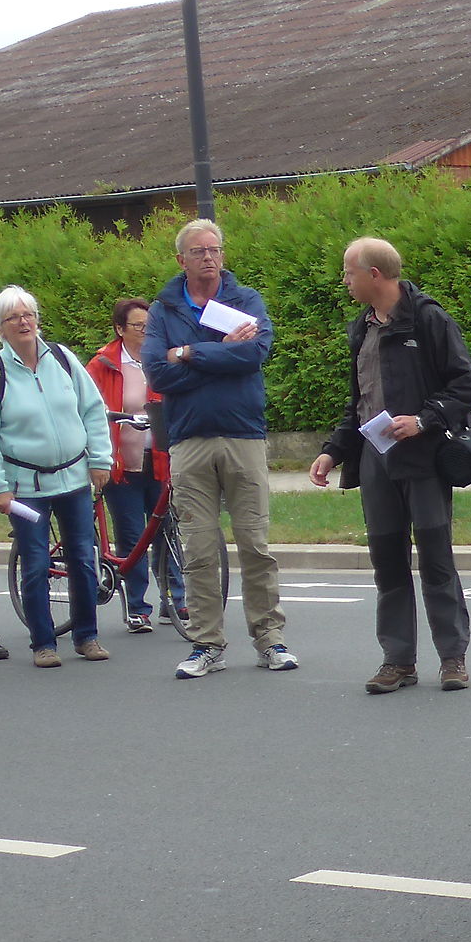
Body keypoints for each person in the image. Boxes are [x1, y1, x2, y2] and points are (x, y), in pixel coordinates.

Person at [309, 238, 471, 693]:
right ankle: (398, 661)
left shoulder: (427, 318)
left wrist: (423, 420)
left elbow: (466, 386)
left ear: (374, 275)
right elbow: (359, 403)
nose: (344, 281)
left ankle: (453, 657)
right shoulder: (361, 329)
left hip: (423, 462)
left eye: (349, 272)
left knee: (436, 560)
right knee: (387, 564)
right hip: (375, 463)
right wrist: (333, 451)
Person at [143, 219, 296, 678]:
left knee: (255, 544)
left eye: (215, 249)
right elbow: (157, 372)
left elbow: (253, 355)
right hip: (188, 439)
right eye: (198, 251)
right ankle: (206, 644)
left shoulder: (245, 301)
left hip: (242, 435)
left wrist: (188, 353)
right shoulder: (163, 309)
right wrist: (218, 351)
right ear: (181, 260)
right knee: (199, 549)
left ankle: (270, 639)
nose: (208, 257)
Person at [0, 286, 113, 666]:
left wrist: (100, 459)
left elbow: (92, 409)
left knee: (83, 559)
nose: (23, 322)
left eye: (29, 315)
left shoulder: (62, 358)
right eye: (13, 318)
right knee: (36, 564)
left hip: (73, 480)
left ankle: (87, 636)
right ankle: (43, 643)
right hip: (25, 489)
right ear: (0, 329)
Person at [88, 298, 185, 632]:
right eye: (139, 326)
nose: (146, 331)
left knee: (166, 531)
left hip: (160, 460)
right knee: (132, 538)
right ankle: (137, 607)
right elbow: (88, 408)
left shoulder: (162, 358)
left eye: (149, 325)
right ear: (120, 329)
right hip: (122, 464)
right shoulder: (103, 364)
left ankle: (175, 601)